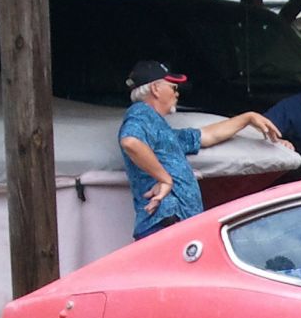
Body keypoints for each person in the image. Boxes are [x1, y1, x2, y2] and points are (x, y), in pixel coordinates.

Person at [118, 60, 285, 240]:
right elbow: (131, 141)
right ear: (156, 89)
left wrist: (247, 118)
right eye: (173, 88)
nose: (177, 94)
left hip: (177, 225)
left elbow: (207, 136)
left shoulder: (162, 130)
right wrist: (164, 179)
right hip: (165, 224)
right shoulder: (141, 112)